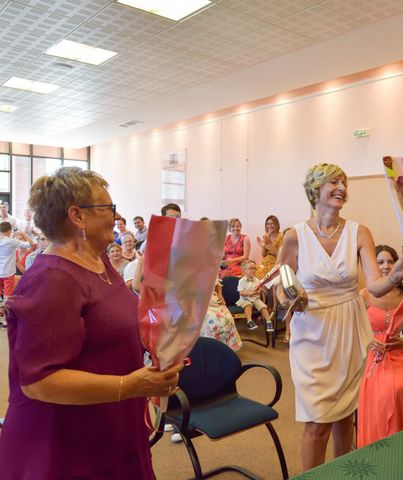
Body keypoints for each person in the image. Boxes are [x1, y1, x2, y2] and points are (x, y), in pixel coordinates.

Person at [0, 167, 182, 479]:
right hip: (67, 443)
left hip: (111, 421)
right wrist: (133, 385)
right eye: (108, 208)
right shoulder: (51, 279)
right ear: (77, 216)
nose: (116, 216)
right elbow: (41, 381)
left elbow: (114, 323)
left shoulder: (99, 263)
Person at [277, 163, 403, 471]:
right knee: (317, 422)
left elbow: (376, 284)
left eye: (343, 183)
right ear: (315, 190)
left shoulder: (359, 232)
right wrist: (290, 298)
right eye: (333, 182)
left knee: (344, 415)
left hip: (350, 329)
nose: (341, 188)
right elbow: (280, 285)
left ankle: (342, 472)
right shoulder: (294, 237)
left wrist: (398, 272)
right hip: (312, 332)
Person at [357, 245, 403, 448]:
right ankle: (387, 443)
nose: (385, 266)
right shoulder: (364, 295)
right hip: (374, 355)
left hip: (400, 352)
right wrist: (367, 341)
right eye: (380, 262)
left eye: (390, 261)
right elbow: (353, 330)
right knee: (391, 391)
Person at [200, 280, 243, 351]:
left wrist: (220, 295)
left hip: (213, 299)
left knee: (228, 320)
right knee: (213, 323)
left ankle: (225, 350)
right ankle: (209, 350)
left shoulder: (212, 270)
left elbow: (218, 284)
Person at [237, 259, 273, 332]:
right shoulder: (241, 281)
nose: (253, 270)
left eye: (254, 268)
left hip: (255, 299)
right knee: (248, 305)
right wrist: (249, 293)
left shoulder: (256, 280)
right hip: (245, 299)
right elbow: (241, 292)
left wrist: (257, 291)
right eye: (251, 268)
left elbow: (259, 291)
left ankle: (268, 321)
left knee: (263, 307)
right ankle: (249, 321)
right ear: (244, 271)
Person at [0, 222, 33, 299]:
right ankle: (5, 310)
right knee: (7, 297)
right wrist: (22, 233)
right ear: (9, 231)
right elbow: (31, 244)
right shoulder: (12, 241)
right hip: (8, 273)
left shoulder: (11, 241)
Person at [255, 215, 283, 279]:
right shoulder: (268, 236)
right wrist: (263, 246)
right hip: (265, 262)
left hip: (275, 263)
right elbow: (264, 255)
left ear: (277, 224)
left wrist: (270, 246)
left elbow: (280, 255)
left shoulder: (281, 236)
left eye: (271, 224)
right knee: (250, 270)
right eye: (267, 224)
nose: (269, 226)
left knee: (258, 275)